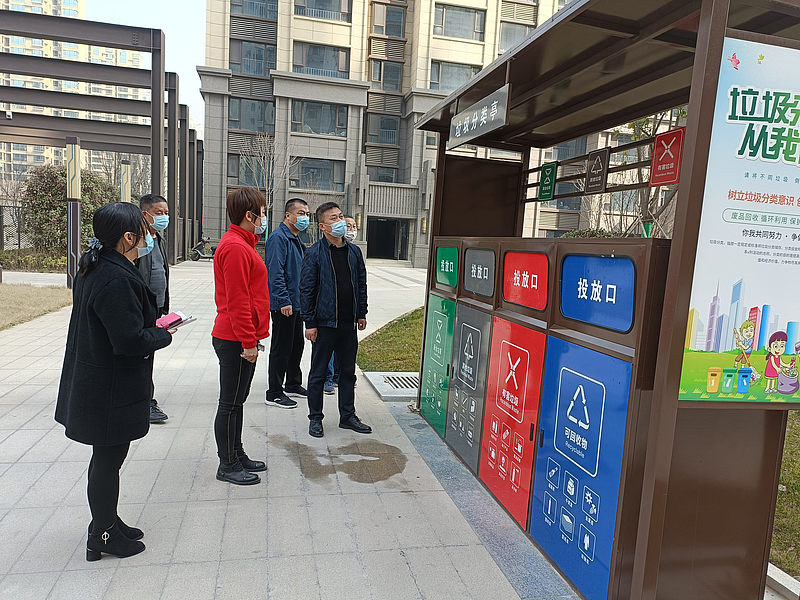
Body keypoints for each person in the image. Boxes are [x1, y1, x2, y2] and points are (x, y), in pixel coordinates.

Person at [56, 202, 174, 561]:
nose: (149, 237)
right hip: (107, 387)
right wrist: (163, 332)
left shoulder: (99, 266)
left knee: (108, 458)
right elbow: (128, 341)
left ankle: (107, 520)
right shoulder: (116, 278)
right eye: (144, 231)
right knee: (108, 460)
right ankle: (103, 534)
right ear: (127, 237)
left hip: (99, 380)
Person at [212, 187, 271, 485]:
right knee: (230, 403)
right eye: (262, 211)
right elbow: (238, 300)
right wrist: (248, 342)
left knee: (237, 401)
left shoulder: (243, 243)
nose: (264, 217)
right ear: (249, 215)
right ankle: (228, 464)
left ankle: (237, 454)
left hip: (240, 336)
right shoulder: (235, 247)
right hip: (235, 338)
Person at [300, 202, 371, 438]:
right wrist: (310, 323)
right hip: (324, 324)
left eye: (341, 216)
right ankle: (315, 418)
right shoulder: (314, 253)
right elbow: (306, 290)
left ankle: (348, 416)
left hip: (348, 323)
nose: (340, 221)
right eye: (334, 218)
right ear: (322, 226)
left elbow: (361, 283)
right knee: (318, 373)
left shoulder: (354, 252)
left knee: (348, 373)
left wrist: (361, 313)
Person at [264, 198, 310, 409]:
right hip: (285, 304)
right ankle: (274, 392)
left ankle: (293, 383)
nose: (304, 218)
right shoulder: (278, 238)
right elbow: (275, 272)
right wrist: (283, 300)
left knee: (296, 345)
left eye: (307, 214)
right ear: (288, 215)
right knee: (281, 348)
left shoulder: (295, 239)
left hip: (297, 303)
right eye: (301, 213)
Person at [135, 194, 171, 424]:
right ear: (145, 214)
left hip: (155, 307)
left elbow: (162, 274)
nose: (164, 217)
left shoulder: (158, 240)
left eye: (166, 213)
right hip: (140, 307)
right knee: (142, 354)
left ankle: (145, 398)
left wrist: (164, 306)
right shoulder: (138, 241)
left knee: (148, 354)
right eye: (159, 213)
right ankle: (144, 402)